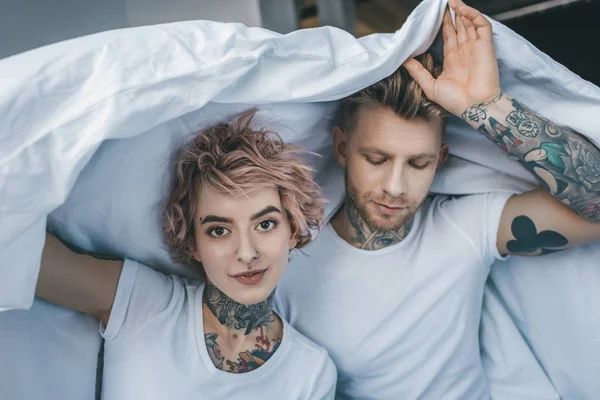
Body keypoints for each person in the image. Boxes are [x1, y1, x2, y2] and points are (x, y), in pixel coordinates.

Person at [274, 0, 600, 398]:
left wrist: (486, 109)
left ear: (440, 161)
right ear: (342, 148)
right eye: (376, 159)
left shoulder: (463, 228)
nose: (395, 186)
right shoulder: (285, 265)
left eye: (418, 163)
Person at [35, 110, 337, 399]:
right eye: (219, 230)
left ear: (293, 230)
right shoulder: (143, 306)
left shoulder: (310, 372)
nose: (246, 252)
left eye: (265, 224)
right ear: (193, 242)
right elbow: (23, 258)